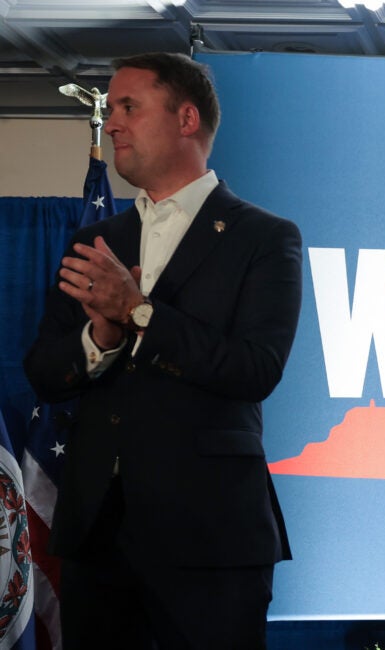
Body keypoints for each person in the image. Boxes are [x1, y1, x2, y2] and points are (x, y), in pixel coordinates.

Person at [23, 52, 301, 649]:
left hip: (210, 538)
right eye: (112, 109)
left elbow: (255, 369)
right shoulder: (96, 239)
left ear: (186, 119)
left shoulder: (264, 237)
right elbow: (45, 372)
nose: (113, 123)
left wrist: (140, 313)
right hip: (98, 534)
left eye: (129, 107)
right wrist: (100, 338)